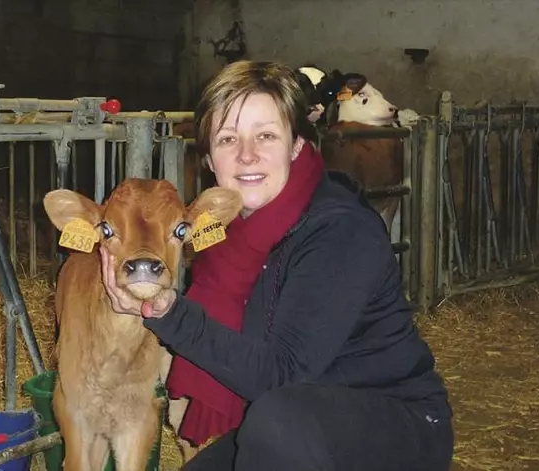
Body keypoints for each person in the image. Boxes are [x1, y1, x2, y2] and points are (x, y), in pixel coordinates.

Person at [99, 60, 454, 471]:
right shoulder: (230, 237)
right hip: (304, 419)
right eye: (228, 139)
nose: (247, 155)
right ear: (211, 160)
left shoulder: (339, 231)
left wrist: (171, 313)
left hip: (394, 425)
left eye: (265, 135)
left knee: (275, 426)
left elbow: (284, 373)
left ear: (296, 146)